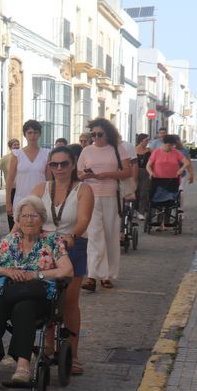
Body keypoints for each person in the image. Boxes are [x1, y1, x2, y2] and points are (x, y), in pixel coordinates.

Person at [0, 196, 73, 385]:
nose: (29, 220)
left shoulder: (52, 241)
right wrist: (5, 271)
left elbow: (67, 270)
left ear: (42, 219)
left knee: (23, 309)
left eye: (34, 216)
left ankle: (23, 366)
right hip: (10, 291)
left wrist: (36, 275)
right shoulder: (10, 241)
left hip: (38, 294)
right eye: (24, 216)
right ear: (17, 220)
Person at [29, 146, 94, 375]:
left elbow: (84, 219)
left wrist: (72, 236)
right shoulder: (40, 188)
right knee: (46, 298)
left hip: (72, 246)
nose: (59, 169)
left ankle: (73, 354)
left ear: (73, 164)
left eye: (64, 164)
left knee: (69, 302)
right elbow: (28, 215)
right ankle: (47, 344)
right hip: (44, 248)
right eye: (54, 164)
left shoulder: (83, 190)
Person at [78, 118, 133, 291]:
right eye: (92, 134)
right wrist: (86, 175)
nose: (95, 137)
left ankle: (108, 274)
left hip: (112, 196)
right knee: (94, 236)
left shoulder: (117, 149)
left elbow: (127, 172)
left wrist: (105, 175)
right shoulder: (86, 151)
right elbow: (79, 173)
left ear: (107, 134)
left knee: (110, 235)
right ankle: (93, 276)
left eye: (99, 134)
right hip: (91, 196)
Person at [7, 119, 49, 216]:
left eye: (35, 132)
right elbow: (10, 180)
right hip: (20, 199)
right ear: (24, 134)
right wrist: (8, 203)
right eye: (29, 132)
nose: (32, 136)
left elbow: (49, 180)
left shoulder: (46, 154)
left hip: (41, 200)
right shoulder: (17, 154)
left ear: (40, 134)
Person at [0, 138, 19, 230]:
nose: (17, 146)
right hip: (12, 188)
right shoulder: (6, 158)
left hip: (22, 188)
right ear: (10, 147)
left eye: (18, 144)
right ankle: (12, 230)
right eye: (14, 145)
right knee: (10, 211)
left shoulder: (24, 156)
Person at [133, 133, 152, 214]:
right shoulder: (134, 150)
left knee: (144, 192)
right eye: (146, 140)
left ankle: (141, 211)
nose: (147, 142)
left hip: (145, 171)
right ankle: (134, 210)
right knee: (135, 190)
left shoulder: (149, 151)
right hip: (135, 171)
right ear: (141, 141)